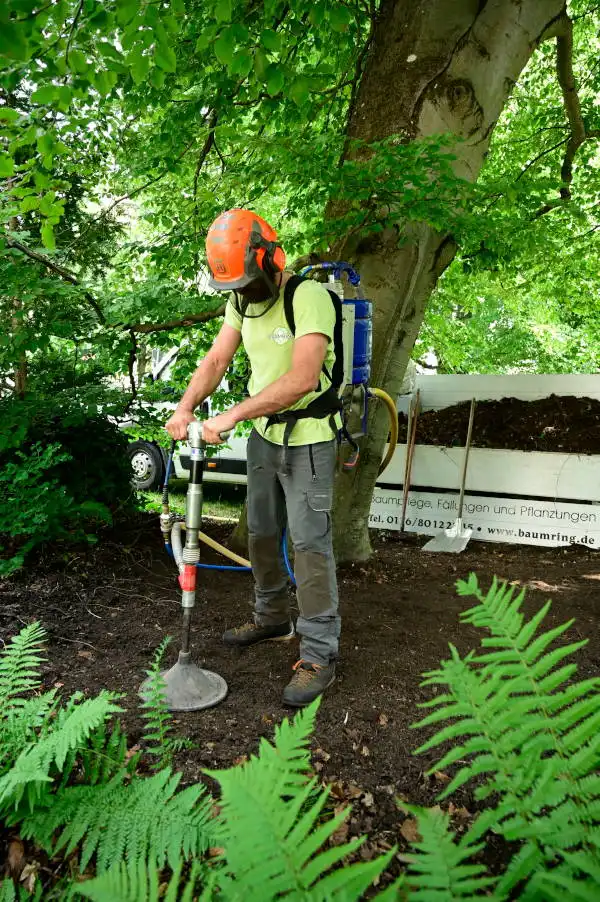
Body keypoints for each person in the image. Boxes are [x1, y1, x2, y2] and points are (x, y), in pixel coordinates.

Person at [165, 209, 341, 706]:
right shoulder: (242, 304)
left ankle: (320, 653)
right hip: (266, 438)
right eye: (236, 285)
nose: (245, 292)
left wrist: (232, 416)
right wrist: (186, 406)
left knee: (309, 546)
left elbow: (304, 378)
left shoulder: (308, 298)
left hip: (310, 439)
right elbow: (218, 359)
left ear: (270, 260)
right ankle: (272, 618)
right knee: (263, 533)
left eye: (250, 281)